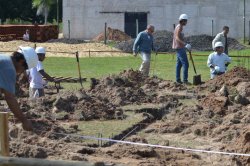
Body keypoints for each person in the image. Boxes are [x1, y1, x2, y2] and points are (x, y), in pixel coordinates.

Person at [0, 46, 38, 131]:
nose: (22, 71)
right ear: (21, 61)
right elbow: (9, 97)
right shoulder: (9, 68)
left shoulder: (4, 58)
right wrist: (24, 120)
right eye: (25, 68)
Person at [172, 14, 192, 84]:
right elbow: (177, 38)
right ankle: (185, 80)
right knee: (186, 64)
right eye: (185, 21)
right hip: (180, 48)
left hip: (179, 47)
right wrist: (185, 44)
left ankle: (178, 80)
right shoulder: (180, 27)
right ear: (182, 21)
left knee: (179, 64)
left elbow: (179, 37)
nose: (186, 22)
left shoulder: (179, 26)